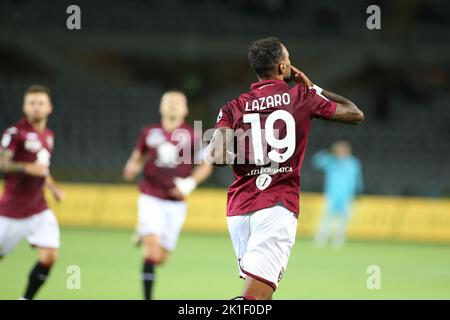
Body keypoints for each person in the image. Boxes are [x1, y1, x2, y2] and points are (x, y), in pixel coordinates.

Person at [206, 37, 364, 300]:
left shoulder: (232, 107)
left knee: (256, 293)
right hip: (276, 205)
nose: (291, 65)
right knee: (255, 298)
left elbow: (217, 156)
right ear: (282, 67)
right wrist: (313, 87)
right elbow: (355, 113)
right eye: (288, 60)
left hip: (239, 208)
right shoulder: (301, 95)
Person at [123, 90, 213, 300]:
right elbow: (137, 157)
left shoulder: (194, 136)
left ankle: (142, 233)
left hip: (176, 203)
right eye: (168, 101)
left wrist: (189, 183)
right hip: (150, 196)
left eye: (177, 102)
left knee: (160, 258)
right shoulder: (149, 132)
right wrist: (131, 167)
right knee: (152, 252)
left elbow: (206, 165)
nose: (172, 105)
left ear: (185, 109)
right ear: (161, 107)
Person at [0, 84, 64, 300]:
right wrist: (28, 168)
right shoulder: (14, 133)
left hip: (38, 209)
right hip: (11, 211)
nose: (36, 107)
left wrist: (53, 187)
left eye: (40, 103)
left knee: (50, 256)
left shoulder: (48, 135)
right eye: (32, 103)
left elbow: (42, 168)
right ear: (25, 107)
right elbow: (3, 164)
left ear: (49, 108)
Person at [312, 141, 364, 248]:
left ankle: (338, 241)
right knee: (326, 218)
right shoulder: (331, 161)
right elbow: (316, 162)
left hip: (347, 196)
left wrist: (359, 191)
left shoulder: (353, 163)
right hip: (332, 194)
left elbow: (358, 178)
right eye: (339, 150)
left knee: (343, 220)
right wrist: (326, 153)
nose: (341, 152)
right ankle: (320, 240)